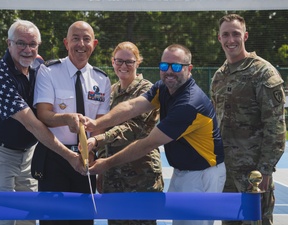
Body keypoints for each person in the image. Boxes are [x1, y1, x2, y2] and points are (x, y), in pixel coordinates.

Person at [84, 44, 226, 225]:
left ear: (189, 69)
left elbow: (148, 143)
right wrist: (96, 124)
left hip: (203, 173)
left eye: (176, 67)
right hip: (183, 170)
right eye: (164, 66)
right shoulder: (163, 88)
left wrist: (107, 163)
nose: (169, 72)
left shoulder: (189, 104)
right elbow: (131, 106)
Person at [0, 19, 85, 225]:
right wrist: (70, 155)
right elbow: (33, 124)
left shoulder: (39, 66)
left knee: (29, 216)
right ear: (8, 44)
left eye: (32, 44)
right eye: (21, 43)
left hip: (27, 153)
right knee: (4, 216)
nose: (27, 50)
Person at [32, 21, 111, 225]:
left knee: (83, 221)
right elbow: (43, 115)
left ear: (94, 44)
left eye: (86, 39)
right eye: (75, 38)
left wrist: (92, 152)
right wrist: (67, 119)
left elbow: (101, 124)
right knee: (52, 221)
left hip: (86, 159)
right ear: (66, 43)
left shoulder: (102, 80)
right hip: (54, 157)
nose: (81, 44)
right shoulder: (48, 71)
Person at [211, 14, 286, 225]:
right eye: (225, 34)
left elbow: (276, 126)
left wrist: (265, 169)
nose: (230, 39)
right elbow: (217, 121)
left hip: (253, 173)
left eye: (235, 34)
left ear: (245, 36)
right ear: (219, 38)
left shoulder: (263, 72)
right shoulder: (219, 75)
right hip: (226, 172)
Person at [87, 41, 164, 225]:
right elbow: (104, 127)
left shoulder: (147, 90)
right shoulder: (110, 91)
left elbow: (134, 128)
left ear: (138, 63)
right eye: (119, 61)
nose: (123, 66)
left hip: (141, 176)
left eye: (129, 62)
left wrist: (97, 140)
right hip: (113, 175)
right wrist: (102, 171)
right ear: (112, 62)